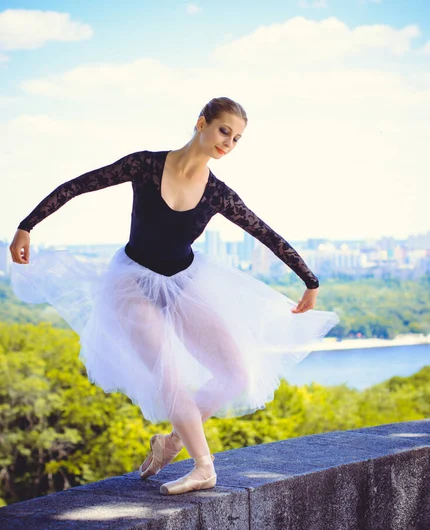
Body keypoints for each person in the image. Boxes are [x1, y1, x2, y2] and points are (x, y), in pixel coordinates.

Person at [9, 96, 339, 496]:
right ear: (201, 123)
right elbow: (80, 185)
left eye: (236, 139)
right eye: (224, 131)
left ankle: (172, 441)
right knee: (169, 374)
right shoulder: (145, 166)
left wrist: (311, 280)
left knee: (235, 373)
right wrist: (27, 225)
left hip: (183, 283)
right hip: (131, 283)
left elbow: (265, 234)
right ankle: (204, 466)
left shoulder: (218, 194)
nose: (228, 143)